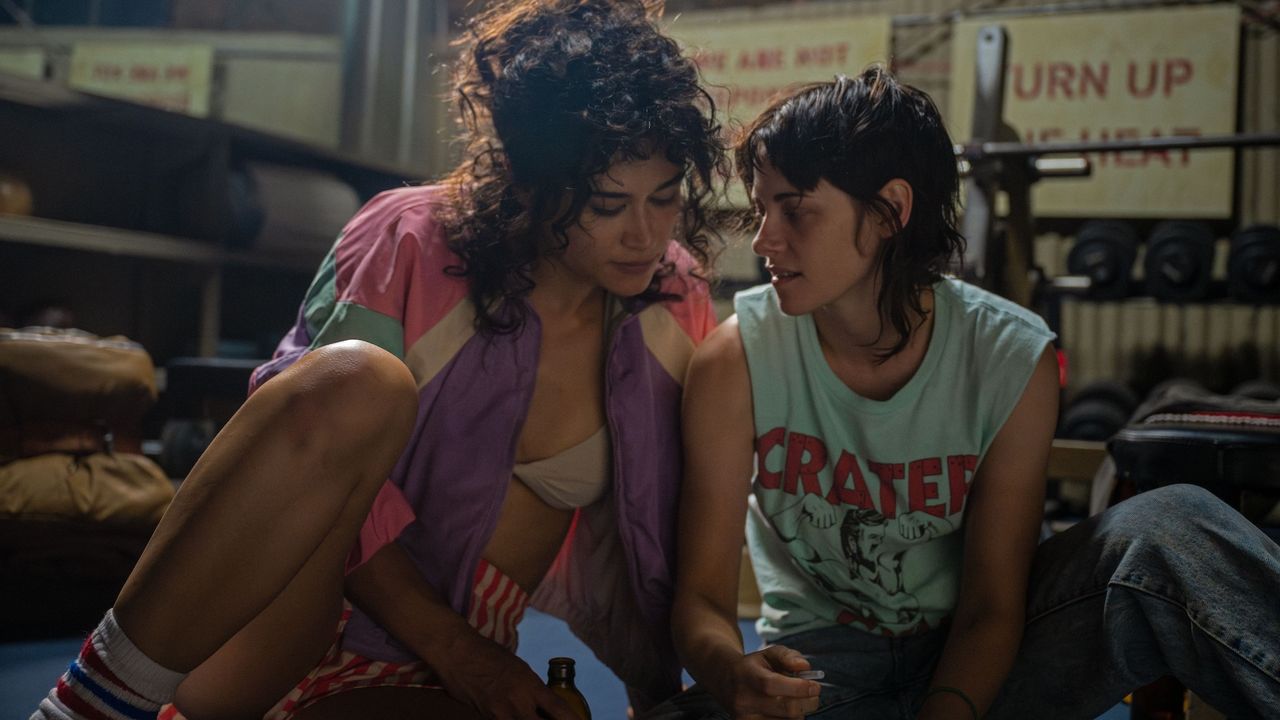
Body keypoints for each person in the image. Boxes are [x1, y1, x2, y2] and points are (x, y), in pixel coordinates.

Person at [32, 1, 725, 718]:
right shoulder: (408, 237)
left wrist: (669, 697)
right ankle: (83, 707)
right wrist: (463, 655)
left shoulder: (673, 303)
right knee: (355, 379)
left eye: (665, 197)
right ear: (529, 180)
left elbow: (660, 533)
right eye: (608, 204)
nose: (645, 234)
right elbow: (304, 450)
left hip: (425, 667)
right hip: (277, 614)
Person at [653, 66, 1280, 720]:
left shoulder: (1011, 357)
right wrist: (734, 675)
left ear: (891, 209)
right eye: (761, 209)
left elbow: (991, 608)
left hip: (988, 656)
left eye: (795, 209)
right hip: (821, 672)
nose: (763, 240)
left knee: (1168, 526)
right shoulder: (737, 359)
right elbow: (699, 602)